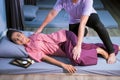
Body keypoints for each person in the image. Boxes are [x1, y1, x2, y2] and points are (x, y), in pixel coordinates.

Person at [34, 0, 116, 64]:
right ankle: (86, 33)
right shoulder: (62, 0)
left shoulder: (87, 0)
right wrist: (40, 28)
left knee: (98, 25)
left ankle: (111, 51)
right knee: (72, 44)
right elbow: (52, 13)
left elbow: (82, 23)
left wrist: (79, 46)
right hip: (74, 21)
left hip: (89, 16)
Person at [7, 29, 120, 73]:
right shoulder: (29, 50)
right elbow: (45, 57)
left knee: (77, 58)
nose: (19, 38)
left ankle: (99, 51)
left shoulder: (33, 35)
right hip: (65, 45)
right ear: (16, 43)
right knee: (86, 46)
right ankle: (115, 48)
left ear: (21, 33)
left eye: (18, 35)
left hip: (66, 37)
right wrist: (63, 65)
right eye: (16, 40)